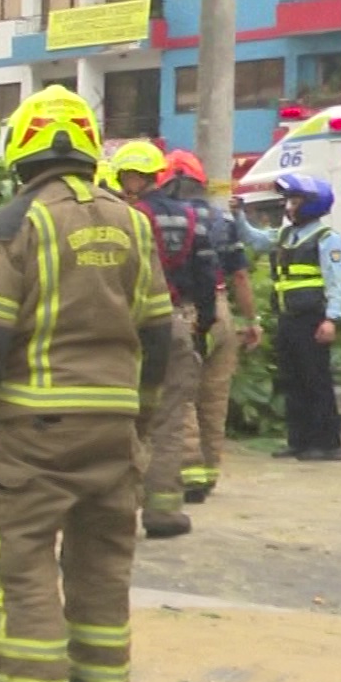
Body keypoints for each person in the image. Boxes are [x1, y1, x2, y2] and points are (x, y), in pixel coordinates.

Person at [0, 86, 173, 682]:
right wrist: (142, 416)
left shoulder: (14, 225)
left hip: (34, 432)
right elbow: (158, 334)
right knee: (103, 568)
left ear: (21, 153)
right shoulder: (131, 224)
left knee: (23, 567)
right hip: (113, 427)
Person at [110, 142, 218, 539]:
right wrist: (203, 326)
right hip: (175, 323)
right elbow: (208, 277)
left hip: (127, 329)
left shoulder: (120, 219)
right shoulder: (192, 219)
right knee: (169, 422)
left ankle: (116, 509)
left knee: (121, 419)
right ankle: (163, 512)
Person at [159, 150, 262, 504]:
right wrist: (251, 321)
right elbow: (240, 276)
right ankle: (210, 472)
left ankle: (190, 477)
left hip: (186, 311)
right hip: (223, 312)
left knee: (181, 393)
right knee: (214, 400)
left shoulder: (167, 219)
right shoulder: (222, 220)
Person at [236, 173, 341, 462]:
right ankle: (298, 441)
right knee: (293, 381)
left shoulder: (327, 238)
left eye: (294, 201)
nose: (288, 207)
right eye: (288, 200)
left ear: (311, 204)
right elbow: (256, 240)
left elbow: (338, 282)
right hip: (288, 318)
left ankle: (327, 444)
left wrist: (331, 319)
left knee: (316, 381)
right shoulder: (286, 235)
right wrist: (237, 214)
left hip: (313, 319)